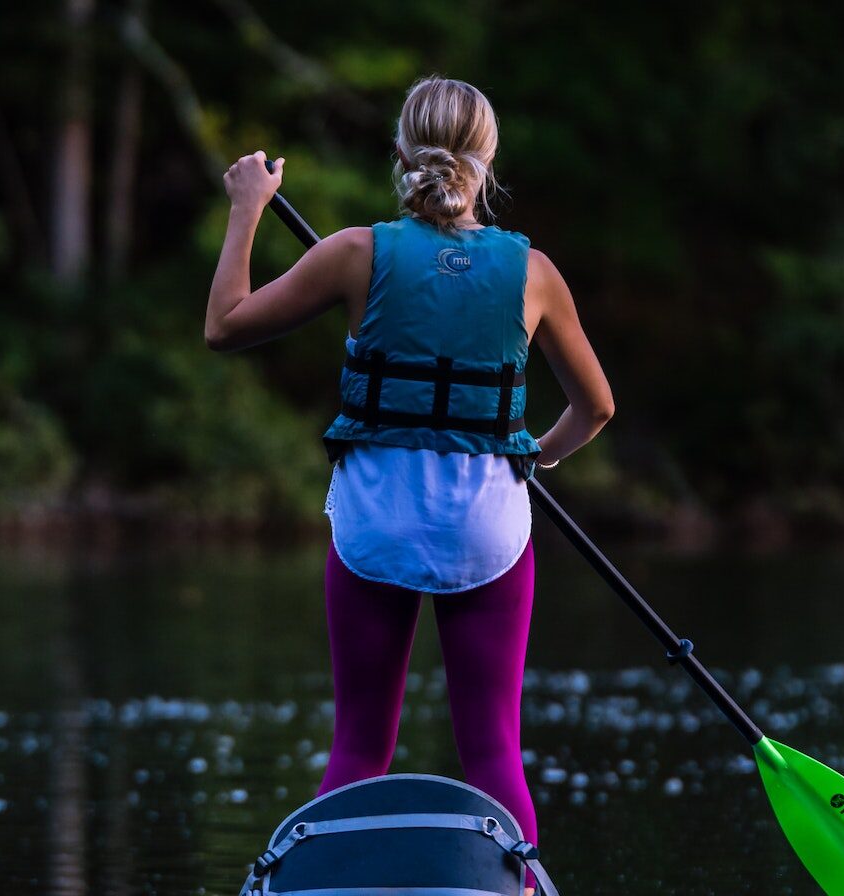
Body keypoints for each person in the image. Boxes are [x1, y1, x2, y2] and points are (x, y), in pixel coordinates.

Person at [204, 74, 614, 895]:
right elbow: (597, 406)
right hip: (488, 530)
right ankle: (520, 887)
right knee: (492, 744)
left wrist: (248, 205)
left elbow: (224, 326)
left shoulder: (354, 252)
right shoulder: (532, 272)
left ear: (401, 151)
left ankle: (321, 883)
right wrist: (535, 457)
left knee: (361, 742)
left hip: (375, 526)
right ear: (487, 160)